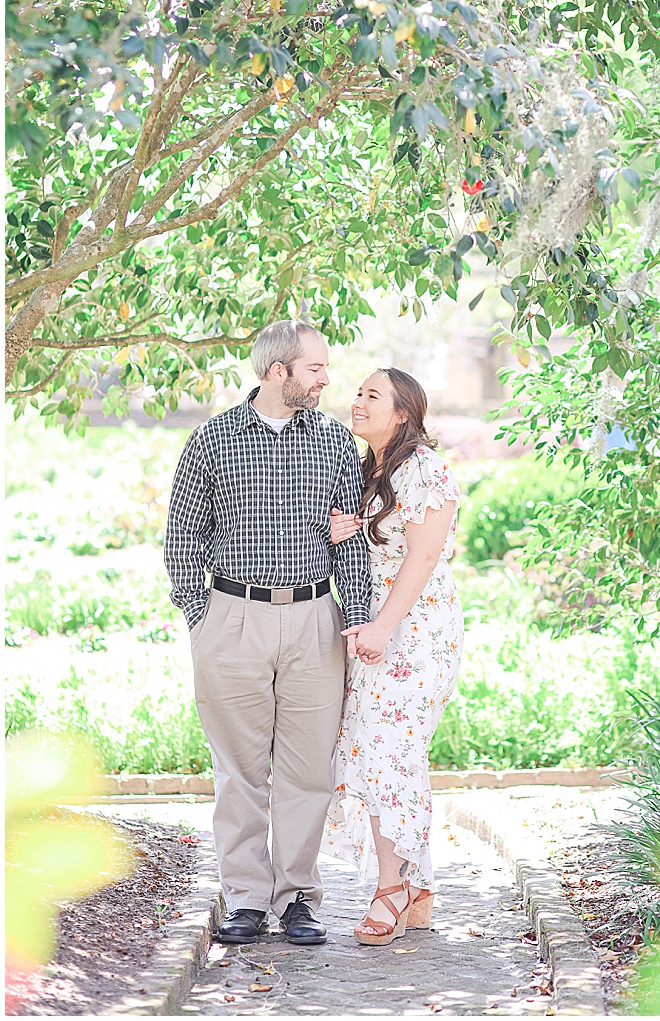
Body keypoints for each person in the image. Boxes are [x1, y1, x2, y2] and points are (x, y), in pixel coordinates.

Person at [163, 320, 371, 946]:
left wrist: (355, 619)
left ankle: (298, 899)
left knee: (309, 770)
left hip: (314, 620)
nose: (327, 380)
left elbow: (350, 542)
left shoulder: (336, 443)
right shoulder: (212, 440)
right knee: (239, 771)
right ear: (278, 371)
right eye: (315, 369)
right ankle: (247, 899)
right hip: (232, 617)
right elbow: (182, 540)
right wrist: (205, 621)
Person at [322, 368, 464, 946]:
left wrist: (382, 624)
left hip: (414, 630)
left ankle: (392, 886)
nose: (357, 402)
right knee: (386, 752)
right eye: (357, 393)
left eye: (371, 395)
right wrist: (342, 531)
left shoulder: (422, 469)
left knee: (386, 754)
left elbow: (422, 558)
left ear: (403, 412)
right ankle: (417, 884)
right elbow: (377, 548)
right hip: (377, 629)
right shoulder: (369, 471)